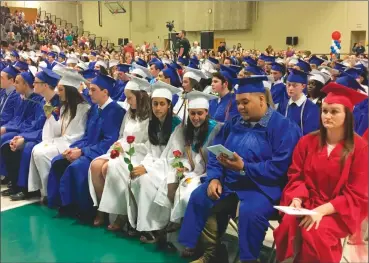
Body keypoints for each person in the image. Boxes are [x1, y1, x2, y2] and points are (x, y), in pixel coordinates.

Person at [178, 76, 301, 263]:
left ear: (261, 99)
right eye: (238, 103)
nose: (241, 107)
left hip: (262, 187)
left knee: (250, 213)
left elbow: (280, 167)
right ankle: (213, 253)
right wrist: (214, 178)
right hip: (229, 182)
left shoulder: (283, 127)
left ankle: (249, 259)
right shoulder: (234, 123)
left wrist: (245, 167)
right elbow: (215, 153)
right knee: (200, 196)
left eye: (245, 102)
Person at [273, 82, 368, 263]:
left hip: (338, 211)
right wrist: (297, 199)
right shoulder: (307, 142)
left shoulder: (361, 149)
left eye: (334, 111)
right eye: (324, 111)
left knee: (316, 232)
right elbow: (296, 175)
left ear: (347, 115)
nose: (327, 116)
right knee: (288, 224)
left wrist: (321, 211)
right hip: (308, 201)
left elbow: (356, 193)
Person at [47, 73, 126, 222]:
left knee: (77, 167)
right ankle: (65, 204)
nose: (89, 93)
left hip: (102, 153)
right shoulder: (95, 109)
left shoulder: (115, 111)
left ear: (105, 92)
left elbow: (109, 142)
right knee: (58, 161)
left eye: (93, 90)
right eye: (89, 89)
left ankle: (85, 211)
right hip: (89, 148)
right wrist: (73, 148)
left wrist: (82, 152)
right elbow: (87, 136)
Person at [88, 75, 151, 230]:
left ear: (140, 97)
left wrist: (127, 148)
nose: (127, 101)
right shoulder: (130, 113)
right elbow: (122, 135)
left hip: (139, 154)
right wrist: (118, 145)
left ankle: (121, 214)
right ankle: (102, 210)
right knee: (95, 165)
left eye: (130, 98)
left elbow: (148, 145)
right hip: (124, 149)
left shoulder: (149, 117)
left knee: (107, 168)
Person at [126, 81, 183, 243]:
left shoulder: (176, 126)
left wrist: (148, 169)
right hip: (156, 165)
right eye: (155, 104)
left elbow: (173, 157)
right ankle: (139, 222)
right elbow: (151, 152)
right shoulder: (153, 122)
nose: (158, 108)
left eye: (162, 104)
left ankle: (155, 227)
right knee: (133, 177)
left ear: (169, 105)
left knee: (145, 180)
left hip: (171, 168)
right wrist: (144, 165)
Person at [28, 70, 90, 203]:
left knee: (41, 153)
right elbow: (58, 130)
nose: (58, 92)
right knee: (36, 150)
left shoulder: (84, 108)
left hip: (74, 143)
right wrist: (49, 116)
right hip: (62, 140)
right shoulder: (65, 107)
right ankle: (45, 191)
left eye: (61, 89)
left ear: (69, 90)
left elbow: (77, 133)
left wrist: (61, 141)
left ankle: (51, 193)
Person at [165, 90, 222, 232]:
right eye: (192, 113)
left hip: (209, 174)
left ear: (206, 112)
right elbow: (185, 155)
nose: (196, 117)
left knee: (188, 194)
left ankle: (191, 232)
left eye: (200, 113)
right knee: (168, 182)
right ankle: (175, 223)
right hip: (192, 171)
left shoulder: (217, 129)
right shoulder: (186, 129)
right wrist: (184, 167)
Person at [1, 67, 61, 199]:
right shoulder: (45, 101)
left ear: (45, 85)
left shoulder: (56, 104)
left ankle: (27, 189)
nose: (33, 85)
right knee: (8, 145)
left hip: (52, 139)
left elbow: (52, 129)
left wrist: (24, 137)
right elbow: (37, 124)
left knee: (27, 147)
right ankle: (15, 183)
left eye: (36, 82)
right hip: (38, 134)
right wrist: (22, 136)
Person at [0, 70, 43, 186]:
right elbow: (16, 118)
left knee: (5, 139)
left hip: (29, 132)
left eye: (17, 82)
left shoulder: (37, 101)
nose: (14, 85)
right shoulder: (21, 98)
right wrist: (7, 127)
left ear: (26, 84)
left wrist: (7, 129)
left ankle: (9, 176)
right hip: (20, 129)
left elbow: (32, 123)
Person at [277, 68, 320, 135]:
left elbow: (310, 134)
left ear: (303, 86)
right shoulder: (283, 104)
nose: (290, 88)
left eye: (294, 85)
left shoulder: (312, 108)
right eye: (288, 85)